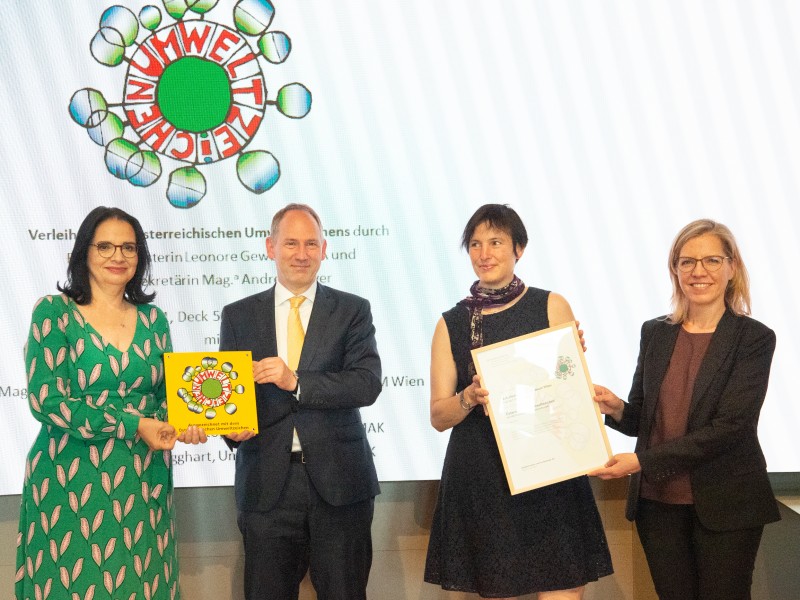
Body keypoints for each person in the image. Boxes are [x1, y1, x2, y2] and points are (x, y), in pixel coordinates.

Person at [15, 206, 205, 600]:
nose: (118, 256)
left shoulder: (154, 320)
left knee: (141, 583)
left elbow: (168, 398)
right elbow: (47, 400)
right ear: (83, 252)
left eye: (129, 248)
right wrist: (133, 424)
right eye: (105, 246)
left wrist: (196, 423)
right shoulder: (54, 313)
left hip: (143, 478)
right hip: (71, 480)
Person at [424, 204, 613, 600]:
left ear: (519, 249)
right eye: (475, 244)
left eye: (495, 242)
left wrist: (566, 360)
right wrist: (468, 398)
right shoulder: (452, 323)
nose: (484, 253)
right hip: (483, 478)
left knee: (562, 589)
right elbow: (439, 416)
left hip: (550, 473)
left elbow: (570, 391)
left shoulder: (550, 305)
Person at [591, 219, 780, 600]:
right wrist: (614, 409)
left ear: (732, 267)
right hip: (657, 505)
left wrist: (641, 461)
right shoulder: (655, 332)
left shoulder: (754, 338)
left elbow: (730, 428)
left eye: (711, 260)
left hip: (727, 503)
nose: (698, 271)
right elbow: (645, 419)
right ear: (675, 270)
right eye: (686, 261)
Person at [219, 203, 381, 600]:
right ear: (270, 247)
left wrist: (296, 382)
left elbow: (366, 384)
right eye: (290, 243)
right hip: (266, 486)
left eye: (311, 243)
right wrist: (230, 431)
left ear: (325, 249)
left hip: (341, 485)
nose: (301, 253)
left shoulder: (352, 310)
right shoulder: (238, 315)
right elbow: (226, 396)